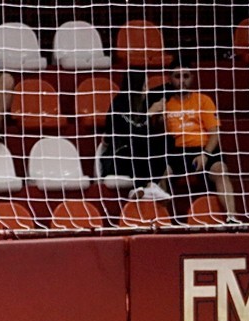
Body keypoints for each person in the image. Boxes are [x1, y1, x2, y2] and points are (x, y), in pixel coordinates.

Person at [158, 55, 237, 219]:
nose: (182, 81)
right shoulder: (164, 104)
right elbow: (162, 135)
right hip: (177, 151)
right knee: (160, 173)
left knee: (221, 170)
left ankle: (232, 217)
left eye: (186, 76)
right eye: (177, 76)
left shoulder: (203, 100)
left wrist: (205, 154)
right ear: (169, 79)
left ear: (192, 78)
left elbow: (215, 133)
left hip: (203, 149)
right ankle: (164, 220)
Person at [100, 71, 172, 201]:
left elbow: (164, 89)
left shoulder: (142, 103)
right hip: (118, 159)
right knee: (139, 145)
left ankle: (150, 185)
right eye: (144, 86)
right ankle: (140, 187)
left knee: (165, 141)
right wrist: (148, 114)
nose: (147, 90)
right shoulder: (118, 105)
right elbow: (132, 135)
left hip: (139, 159)